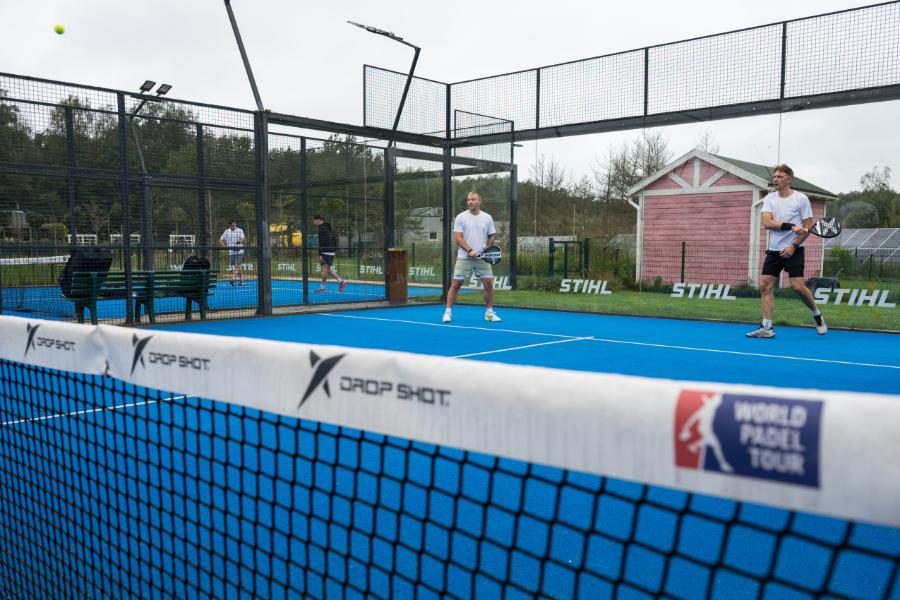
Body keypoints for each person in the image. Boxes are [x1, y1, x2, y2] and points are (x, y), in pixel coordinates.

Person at [746, 164, 826, 338]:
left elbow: (808, 227)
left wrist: (793, 246)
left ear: (789, 180)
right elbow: (767, 223)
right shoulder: (769, 199)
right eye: (774, 176)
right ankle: (767, 327)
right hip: (774, 250)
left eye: (780, 177)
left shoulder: (801, 199)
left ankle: (817, 315)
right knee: (765, 285)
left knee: (798, 287)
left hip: (794, 249)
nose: (776, 179)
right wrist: (791, 226)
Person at [443, 191, 501, 323]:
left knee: (488, 283)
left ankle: (489, 313)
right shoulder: (461, 217)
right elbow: (458, 237)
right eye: (468, 200)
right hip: (464, 257)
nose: (470, 202)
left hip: (482, 258)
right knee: (456, 284)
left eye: (473, 199)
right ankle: (447, 312)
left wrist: (488, 246)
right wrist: (469, 250)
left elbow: (492, 235)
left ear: (479, 201)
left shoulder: (487, 218)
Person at [313, 215, 346, 292]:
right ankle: (340, 281)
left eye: (314, 220)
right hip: (331, 252)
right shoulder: (328, 228)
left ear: (318, 220)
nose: (313, 222)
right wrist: (334, 250)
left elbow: (321, 242)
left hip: (326, 252)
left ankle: (322, 287)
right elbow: (334, 240)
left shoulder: (321, 229)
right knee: (327, 270)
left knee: (324, 270)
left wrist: (320, 254)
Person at [218, 220, 245, 286]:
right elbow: (220, 240)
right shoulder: (226, 231)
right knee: (237, 266)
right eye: (232, 225)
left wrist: (240, 241)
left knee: (237, 265)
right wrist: (223, 245)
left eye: (235, 225)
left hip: (239, 251)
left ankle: (233, 279)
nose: (234, 226)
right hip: (231, 252)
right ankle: (242, 279)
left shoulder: (240, 230)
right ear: (229, 226)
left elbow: (243, 238)